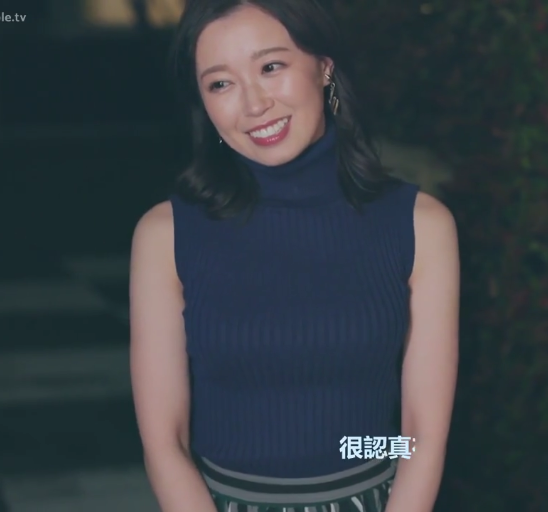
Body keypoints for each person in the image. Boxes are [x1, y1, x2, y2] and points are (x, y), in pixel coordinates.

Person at [128, 1, 459, 511]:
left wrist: (359, 467)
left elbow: (419, 438)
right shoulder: (165, 235)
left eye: (270, 67)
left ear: (323, 66)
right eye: (221, 83)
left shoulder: (420, 225)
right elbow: (165, 442)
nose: (254, 103)